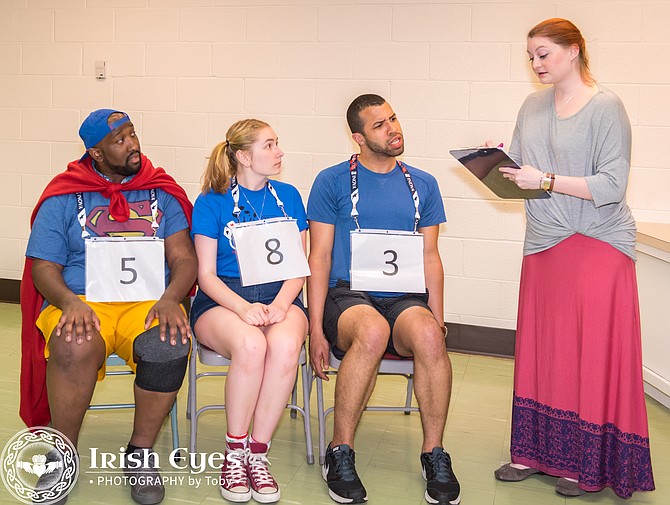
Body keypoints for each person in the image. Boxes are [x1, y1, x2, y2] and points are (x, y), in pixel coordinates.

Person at [491, 18, 655, 499]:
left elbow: (610, 186)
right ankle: (535, 455)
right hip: (544, 241)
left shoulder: (606, 107)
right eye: (531, 57)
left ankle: (584, 465)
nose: (536, 64)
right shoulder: (532, 105)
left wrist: (544, 180)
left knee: (588, 353)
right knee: (545, 350)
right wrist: (496, 166)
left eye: (543, 54)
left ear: (574, 51)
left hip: (597, 241)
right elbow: (522, 170)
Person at [20, 109, 197, 505]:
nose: (132, 145)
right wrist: (67, 301)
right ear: (96, 154)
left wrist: (171, 298)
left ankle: (140, 452)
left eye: (133, 134)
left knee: (168, 344)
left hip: (148, 302)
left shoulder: (161, 191)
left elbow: (184, 259)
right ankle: (62, 454)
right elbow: (44, 267)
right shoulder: (64, 194)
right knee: (72, 343)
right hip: (84, 300)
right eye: (119, 141)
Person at [307, 94, 460, 505]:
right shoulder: (332, 181)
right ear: (358, 137)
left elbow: (431, 257)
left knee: (429, 336)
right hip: (348, 294)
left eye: (393, 118)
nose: (393, 128)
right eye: (379, 125)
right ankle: (339, 451)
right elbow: (318, 257)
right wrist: (314, 329)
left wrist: (438, 322)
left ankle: (434, 454)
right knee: (372, 331)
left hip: (403, 296)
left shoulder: (423, 184)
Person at [190, 119, 309, 504]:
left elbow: (298, 267)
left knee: (286, 347)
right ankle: (235, 452)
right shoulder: (211, 202)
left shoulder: (289, 196)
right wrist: (242, 308)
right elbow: (205, 275)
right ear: (243, 156)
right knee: (252, 346)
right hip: (225, 297)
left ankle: (258, 454)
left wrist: (280, 305)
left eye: (277, 143)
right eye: (269, 145)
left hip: (281, 294)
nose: (279, 152)